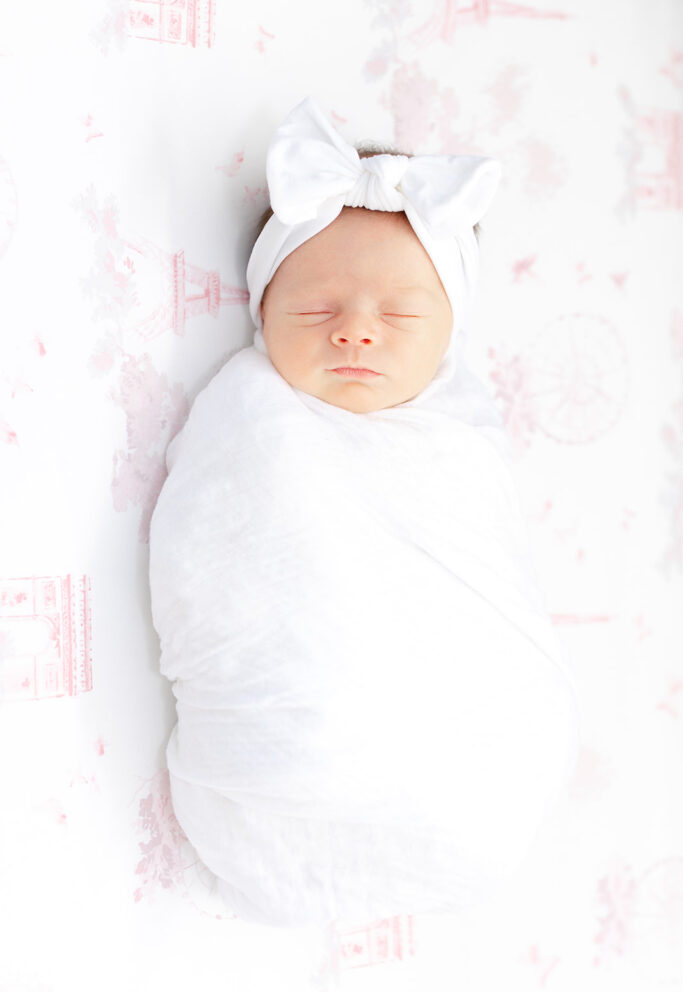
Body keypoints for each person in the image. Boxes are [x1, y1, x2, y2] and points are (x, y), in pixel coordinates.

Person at [148, 96, 581, 929]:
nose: (356, 333)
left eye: (401, 316)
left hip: (487, 784)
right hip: (289, 763)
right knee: (325, 727)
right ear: (262, 310)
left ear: (449, 334)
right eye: (316, 310)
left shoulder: (461, 440)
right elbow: (217, 549)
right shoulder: (253, 423)